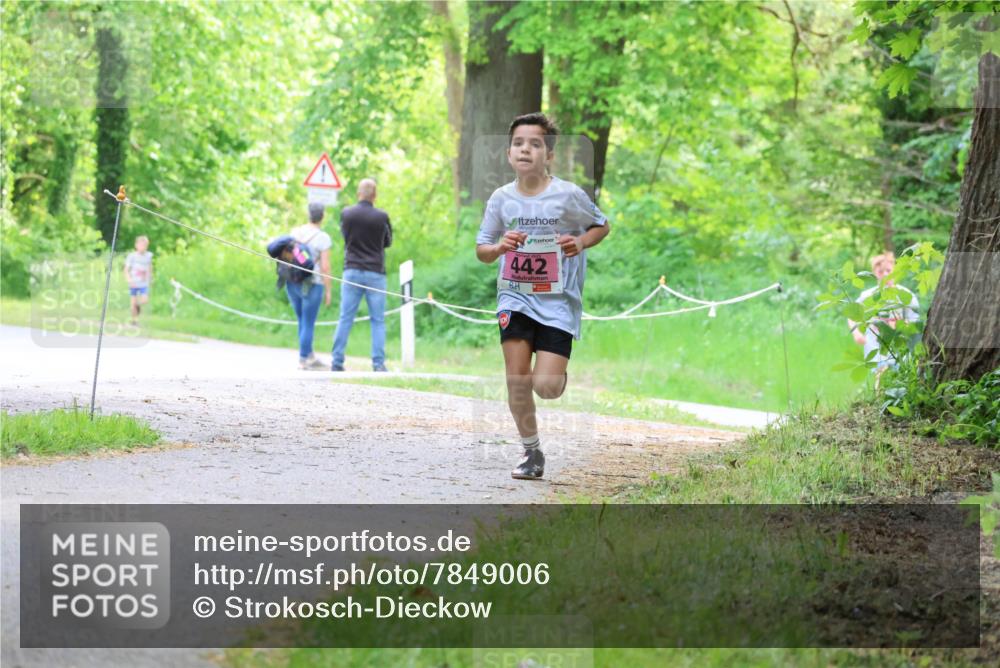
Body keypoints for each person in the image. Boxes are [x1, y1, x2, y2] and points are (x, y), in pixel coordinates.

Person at [475, 112, 610, 480]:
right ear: (508, 153)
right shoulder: (501, 199)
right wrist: (501, 246)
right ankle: (531, 453)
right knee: (517, 380)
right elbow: (482, 250)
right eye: (519, 143)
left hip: (557, 302)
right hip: (514, 298)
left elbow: (602, 225)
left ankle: (556, 376)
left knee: (545, 387)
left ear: (548, 155)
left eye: (535, 144)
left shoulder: (567, 195)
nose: (525, 150)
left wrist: (580, 241)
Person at [331, 178, 393, 372]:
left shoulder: (347, 214)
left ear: (359, 193)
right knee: (377, 320)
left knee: (345, 317)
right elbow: (388, 241)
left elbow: (345, 237)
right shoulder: (382, 217)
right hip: (375, 272)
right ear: (374, 195)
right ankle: (378, 363)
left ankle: (337, 361)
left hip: (352, 270)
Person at [848, 251, 919, 374]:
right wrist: (856, 333)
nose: (885, 275)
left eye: (888, 271)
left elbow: (915, 322)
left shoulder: (905, 295)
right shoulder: (868, 296)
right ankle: (878, 392)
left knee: (900, 379)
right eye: (880, 272)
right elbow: (851, 315)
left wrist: (904, 325)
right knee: (881, 377)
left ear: (895, 271)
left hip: (900, 349)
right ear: (875, 274)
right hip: (876, 348)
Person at [287, 203, 333, 370]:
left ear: (309, 215)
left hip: (292, 282)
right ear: (322, 216)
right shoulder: (323, 238)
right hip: (312, 283)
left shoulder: (295, 232)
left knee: (302, 320)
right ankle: (303, 359)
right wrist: (328, 290)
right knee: (308, 321)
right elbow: (325, 267)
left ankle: (309, 355)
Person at [124, 235, 153, 326]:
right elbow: (126, 270)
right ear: (136, 245)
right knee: (132, 303)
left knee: (145, 300)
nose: (143, 247)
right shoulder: (132, 256)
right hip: (134, 283)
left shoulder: (148, 256)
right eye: (141, 245)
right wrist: (129, 280)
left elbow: (149, 267)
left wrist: (150, 278)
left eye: (145, 245)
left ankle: (138, 304)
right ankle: (134, 320)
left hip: (144, 283)